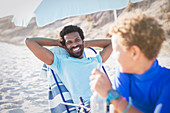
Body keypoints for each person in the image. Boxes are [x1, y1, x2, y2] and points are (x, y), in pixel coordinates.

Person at [90, 11, 170, 113]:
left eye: (116, 50)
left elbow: (117, 103)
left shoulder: (167, 81)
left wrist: (111, 94)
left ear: (134, 52)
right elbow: (117, 110)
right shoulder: (125, 71)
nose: (114, 56)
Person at [25, 25, 112, 110]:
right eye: (69, 42)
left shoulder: (95, 60)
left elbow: (112, 43)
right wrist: (56, 42)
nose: (74, 44)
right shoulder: (60, 62)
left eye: (77, 40)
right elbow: (29, 41)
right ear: (64, 46)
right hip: (88, 106)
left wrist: (85, 43)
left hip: (107, 102)